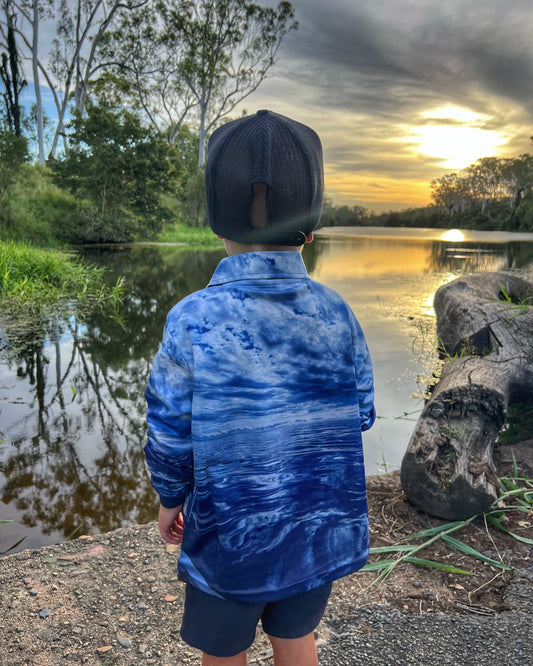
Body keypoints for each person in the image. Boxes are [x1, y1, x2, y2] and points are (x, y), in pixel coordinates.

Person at [144, 109, 376, 666]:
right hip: (319, 531)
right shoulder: (336, 312)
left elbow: (169, 432)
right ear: (311, 229)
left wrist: (170, 499)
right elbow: (362, 410)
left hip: (232, 539)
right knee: (297, 638)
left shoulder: (192, 319)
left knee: (224, 652)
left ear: (218, 224)